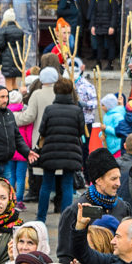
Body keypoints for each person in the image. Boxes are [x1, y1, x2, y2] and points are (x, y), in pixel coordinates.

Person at [30, 78, 87, 222]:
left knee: (46, 184)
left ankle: (41, 218)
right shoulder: (77, 110)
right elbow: (80, 131)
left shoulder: (50, 109)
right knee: (67, 184)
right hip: (70, 151)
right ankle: (66, 218)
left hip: (51, 150)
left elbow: (42, 130)